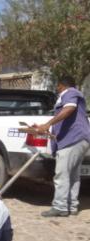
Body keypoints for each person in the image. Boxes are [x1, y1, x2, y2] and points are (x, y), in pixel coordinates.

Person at [34, 75, 90, 217]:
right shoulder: (74, 94)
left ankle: (60, 207)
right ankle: (72, 206)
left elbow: (69, 109)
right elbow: (66, 116)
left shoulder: (70, 93)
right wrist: (48, 128)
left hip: (73, 139)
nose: (57, 89)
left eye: (57, 86)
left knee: (62, 174)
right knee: (73, 175)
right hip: (79, 139)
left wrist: (48, 124)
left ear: (61, 85)